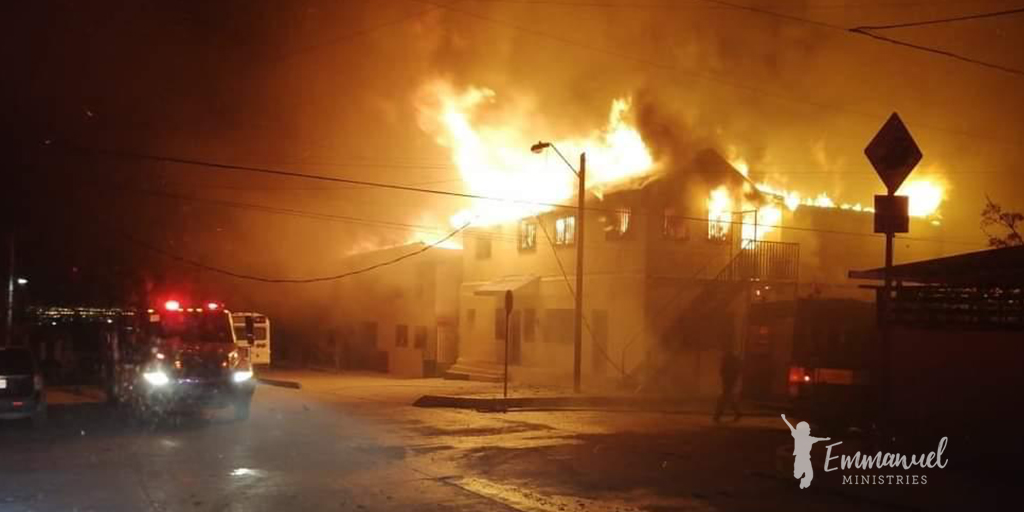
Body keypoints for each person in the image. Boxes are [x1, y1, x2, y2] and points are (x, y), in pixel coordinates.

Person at [781, 414, 830, 489]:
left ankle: (804, 483)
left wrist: (826, 439)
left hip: (806, 460)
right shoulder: (798, 436)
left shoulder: (809, 438)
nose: (809, 430)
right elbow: (791, 427)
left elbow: (819, 439)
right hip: (799, 459)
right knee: (797, 474)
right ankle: (792, 480)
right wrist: (784, 419)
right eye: (808, 429)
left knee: (809, 474)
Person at [713, 350, 742, 423]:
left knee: (724, 396)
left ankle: (718, 414)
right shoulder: (735, 359)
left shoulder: (726, 359)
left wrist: (724, 376)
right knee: (728, 396)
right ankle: (737, 412)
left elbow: (722, 371)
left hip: (727, 380)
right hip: (731, 380)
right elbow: (737, 371)